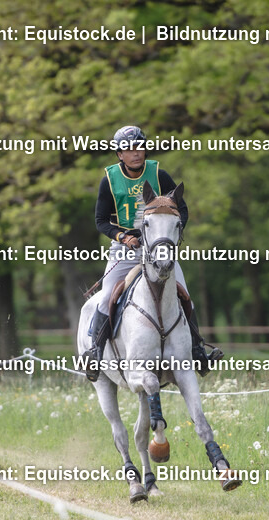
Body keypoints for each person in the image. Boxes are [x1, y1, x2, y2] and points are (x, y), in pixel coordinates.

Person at [82, 125, 222, 382]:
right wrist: (122, 237)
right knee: (104, 300)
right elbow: (101, 221)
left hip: (158, 249)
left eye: (139, 147)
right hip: (125, 249)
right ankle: (95, 353)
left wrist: (169, 237)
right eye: (129, 149)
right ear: (119, 155)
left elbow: (182, 210)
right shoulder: (109, 180)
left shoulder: (161, 175)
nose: (136, 153)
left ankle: (198, 351)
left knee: (184, 294)